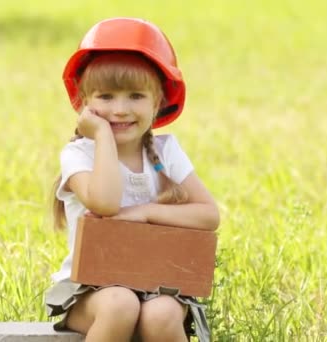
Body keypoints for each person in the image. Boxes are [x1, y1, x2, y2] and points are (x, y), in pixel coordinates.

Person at [45, 17, 220, 342]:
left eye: (135, 96)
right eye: (106, 97)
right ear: (84, 104)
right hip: (92, 290)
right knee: (120, 304)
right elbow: (107, 203)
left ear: (158, 103)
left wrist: (147, 213)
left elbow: (209, 216)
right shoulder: (79, 156)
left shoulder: (165, 152)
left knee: (163, 313)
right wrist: (102, 136)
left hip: (157, 283)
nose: (121, 109)